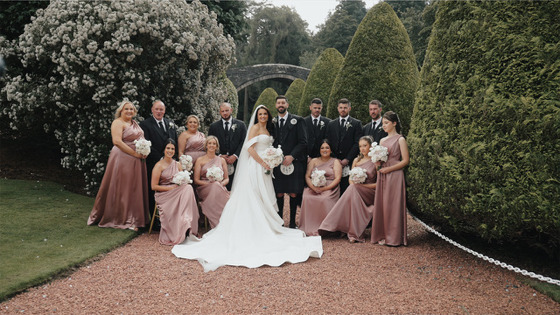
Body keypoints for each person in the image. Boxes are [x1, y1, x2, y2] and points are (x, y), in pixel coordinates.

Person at [172, 105, 322, 272]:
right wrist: (263, 162)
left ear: (268, 115)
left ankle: (266, 225)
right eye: (260, 114)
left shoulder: (269, 128)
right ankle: (253, 229)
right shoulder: (255, 128)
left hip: (266, 168)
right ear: (256, 116)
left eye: (265, 114)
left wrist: (272, 160)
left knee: (264, 196)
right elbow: (249, 148)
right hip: (256, 167)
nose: (263, 116)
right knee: (255, 195)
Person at [88, 100, 150, 230]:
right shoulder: (118, 123)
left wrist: (144, 151)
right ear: (121, 111)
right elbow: (117, 142)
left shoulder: (134, 123)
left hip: (137, 160)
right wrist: (135, 153)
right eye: (126, 109)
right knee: (123, 188)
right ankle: (123, 219)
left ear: (134, 112)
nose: (129, 111)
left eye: (131, 109)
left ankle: (135, 217)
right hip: (122, 158)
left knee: (133, 188)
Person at [319, 136, 377, 243]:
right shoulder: (356, 160)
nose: (362, 149)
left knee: (353, 189)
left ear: (370, 146)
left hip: (370, 192)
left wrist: (361, 186)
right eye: (360, 146)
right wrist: (357, 185)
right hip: (356, 190)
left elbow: (379, 184)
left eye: (365, 145)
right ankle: (352, 232)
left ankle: (335, 226)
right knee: (353, 190)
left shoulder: (375, 161)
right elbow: (351, 180)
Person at [371, 111, 409, 246]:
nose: (384, 126)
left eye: (386, 123)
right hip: (383, 174)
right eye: (383, 124)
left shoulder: (401, 139)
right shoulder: (382, 140)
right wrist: (377, 164)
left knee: (393, 205)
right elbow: (380, 159)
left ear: (394, 123)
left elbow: (405, 161)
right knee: (383, 204)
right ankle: (383, 234)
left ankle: (394, 237)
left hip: (395, 175)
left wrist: (389, 169)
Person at [152, 139, 199, 245]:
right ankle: (185, 223)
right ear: (164, 150)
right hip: (164, 194)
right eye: (168, 148)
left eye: (172, 149)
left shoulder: (178, 164)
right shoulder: (158, 166)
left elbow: (182, 181)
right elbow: (153, 186)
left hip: (178, 192)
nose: (170, 151)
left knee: (187, 187)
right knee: (187, 188)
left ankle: (186, 222)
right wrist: (171, 188)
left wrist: (179, 185)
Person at [139, 100, 178, 230]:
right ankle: (155, 221)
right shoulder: (145, 124)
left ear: (164, 110)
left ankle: (171, 219)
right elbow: (146, 144)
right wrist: (162, 159)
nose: (159, 111)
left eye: (161, 109)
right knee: (153, 190)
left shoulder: (170, 124)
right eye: (157, 109)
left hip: (171, 165)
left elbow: (174, 143)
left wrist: (172, 159)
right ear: (152, 109)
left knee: (172, 187)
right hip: (154, 163)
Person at [272, 95, 308, 228]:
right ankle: (280, 221)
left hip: (295, 161)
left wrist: (292, 156)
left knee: (293, 192)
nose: (281, 105)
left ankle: (292, 222)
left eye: (283, 103)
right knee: (279, 192)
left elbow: (303, 142)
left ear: (287, 105)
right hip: (277, 163)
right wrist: (274, 157)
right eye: (278, 103)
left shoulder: (298, 120)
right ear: (276, 106)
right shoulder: (272, 122)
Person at [299, 139, 341, 236]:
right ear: (319, 150)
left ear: (331, 150)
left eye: (327, 148)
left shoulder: (335, 161)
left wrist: (324, 189)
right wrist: (313, 187)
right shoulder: (313, 161)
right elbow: (307, 176)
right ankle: (309, 226)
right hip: (314, 186)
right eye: (322, 148)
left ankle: (326, 228)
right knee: (307, 196)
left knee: (324, 199)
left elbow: (337, 178)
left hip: (330, 188)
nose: (324, 150)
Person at [325, 98, 363, 195]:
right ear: (338, 108)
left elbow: (357, 143)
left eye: (345, 108)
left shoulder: (356, 123)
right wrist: (334, 159)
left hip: (349, 162)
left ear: (349, 108)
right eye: (341, 107)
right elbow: (328, 142)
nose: (343, 110)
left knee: (347, 188)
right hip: (334, 161)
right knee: (333, 188)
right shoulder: (331, 124)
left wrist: (348, 159)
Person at [208, 102, 247, 191]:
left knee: (237, 187)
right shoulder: (213, 126)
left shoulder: (241, 125)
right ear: (220, 112)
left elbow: (244, 142)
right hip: (219, 162)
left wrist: (235, 156)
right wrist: (219, 156)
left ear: (231, 110)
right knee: (221, 186)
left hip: (238, 162)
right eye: (222, 111)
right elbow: (210, 143)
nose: (225, 113)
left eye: (227, 110)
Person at [193, 136, 229, 229]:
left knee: (217, 187)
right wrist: (211, 184)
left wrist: (220, 184)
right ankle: (218, 224)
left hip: (219, 186)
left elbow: (226, 179)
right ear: (206, 145)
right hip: (204, 188)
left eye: (214, 144)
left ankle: (226, 222)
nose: (212, 145)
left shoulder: (222, 160)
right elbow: (196, 180)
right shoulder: (200, 160)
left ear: (217, 146)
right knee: (216, 187)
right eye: (210, 143)